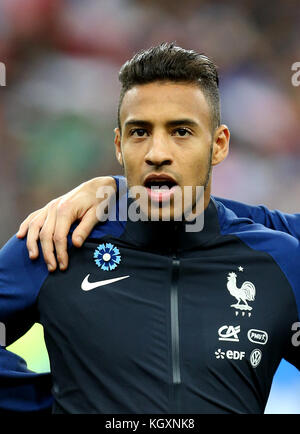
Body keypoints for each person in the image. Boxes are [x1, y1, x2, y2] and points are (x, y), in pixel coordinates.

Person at [1, 43, 299, 414]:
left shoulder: (280, 261)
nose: (157, 151)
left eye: (181, 132)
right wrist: (54, 402)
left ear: (219, 145)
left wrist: (121, 189)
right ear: (119, 145)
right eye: (140, 132)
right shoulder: (60, 240)